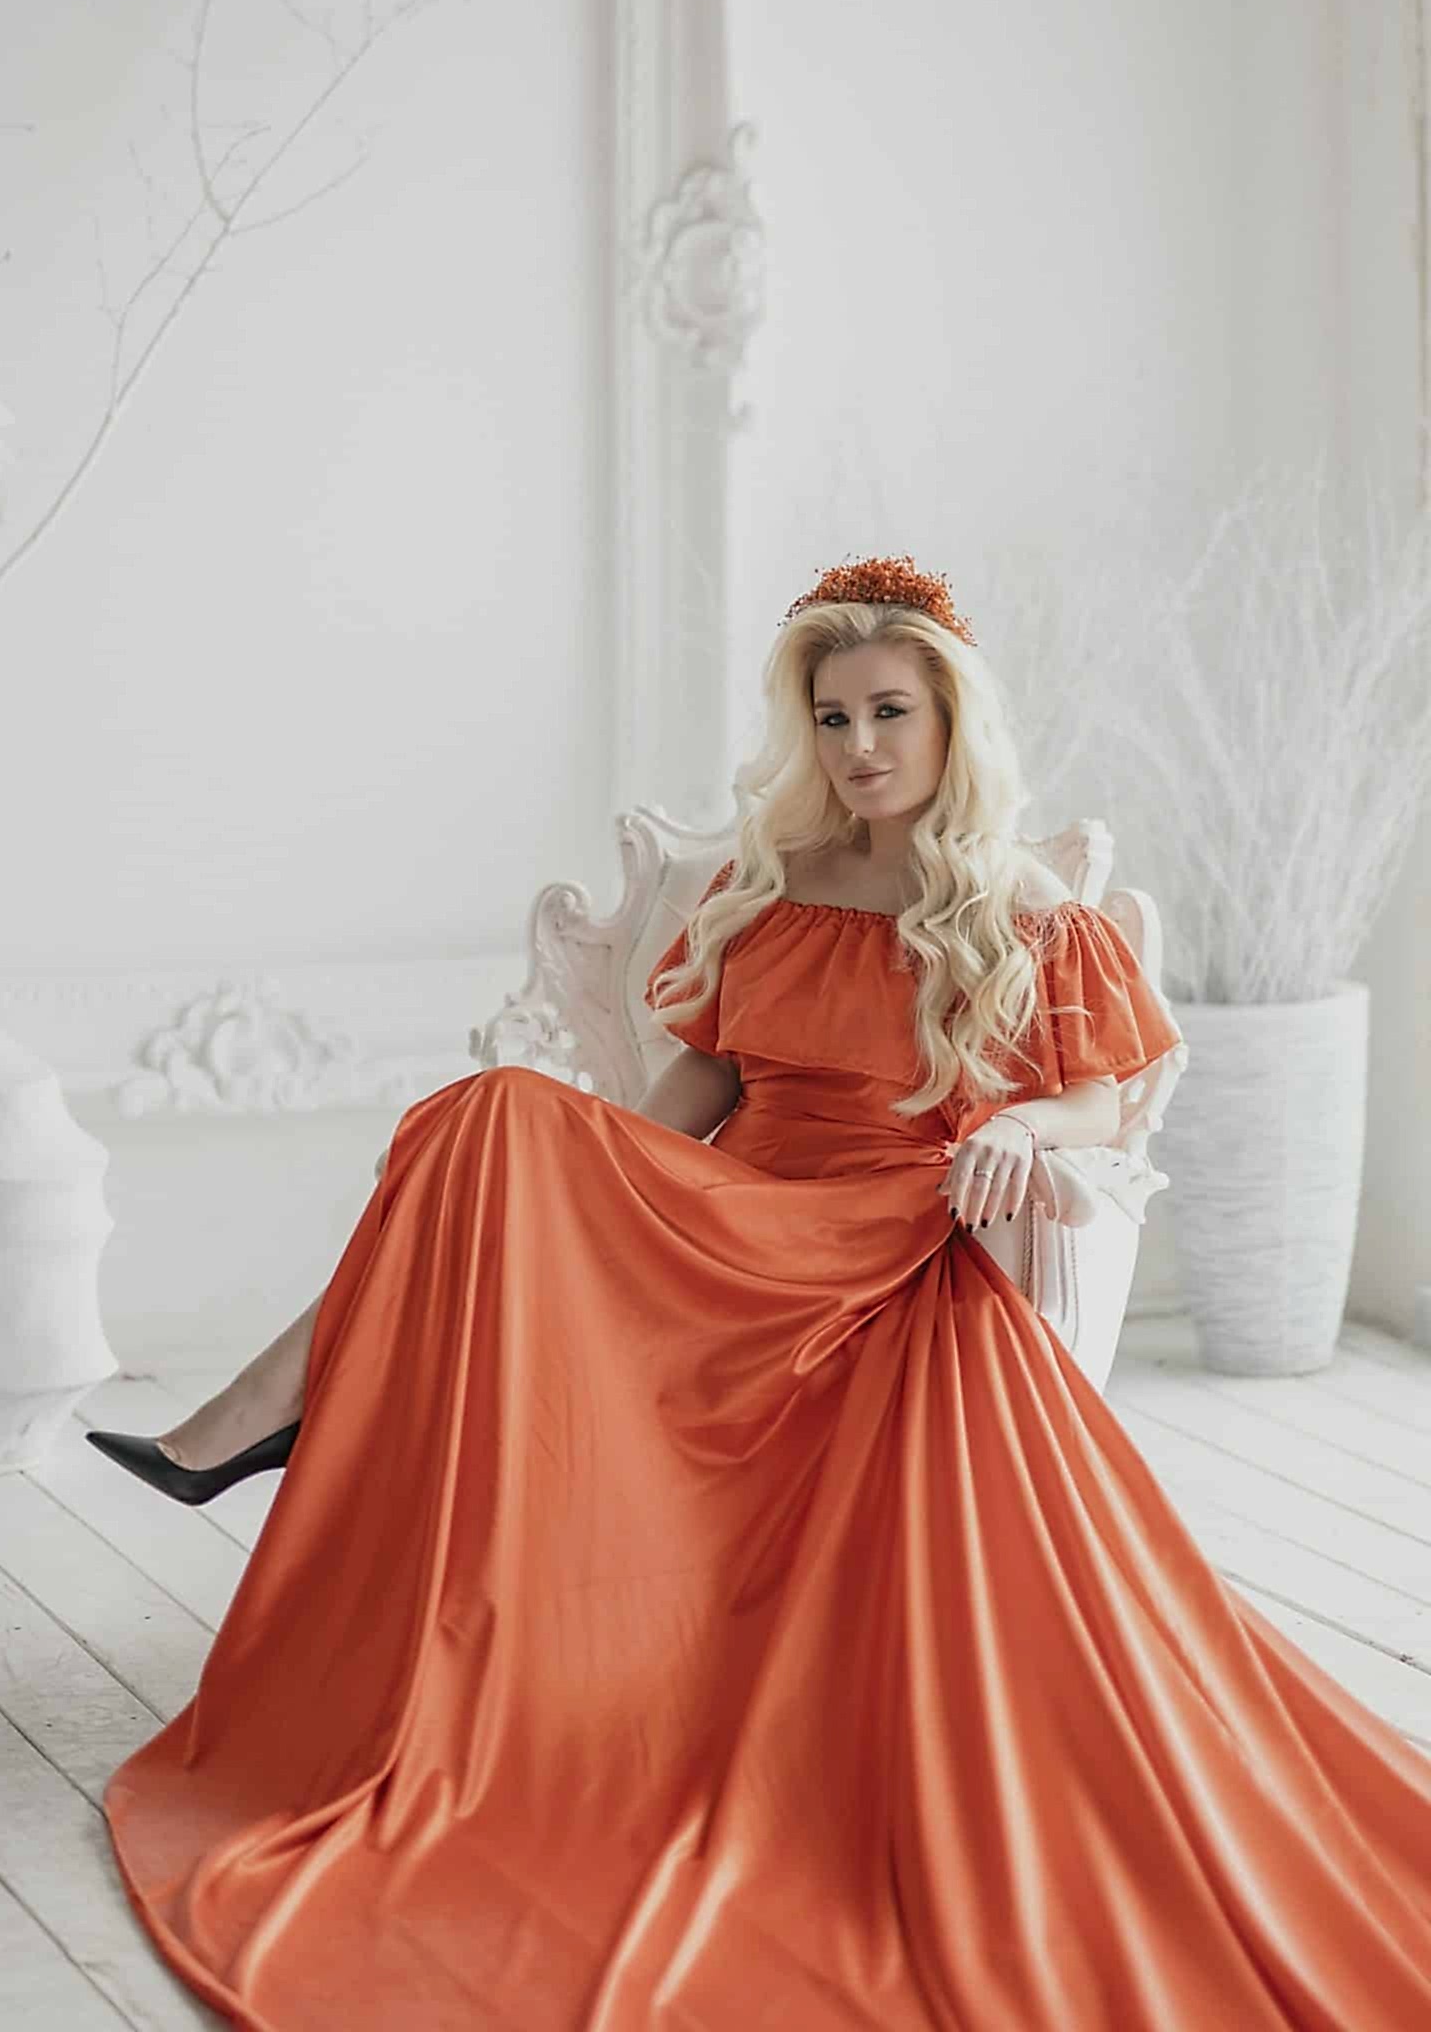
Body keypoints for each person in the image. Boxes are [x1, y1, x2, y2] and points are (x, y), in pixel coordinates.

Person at [91, 554, 1431, 2029]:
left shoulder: (1033, 914)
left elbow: (1106, 1099)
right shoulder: (773, 887)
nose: (860, 746)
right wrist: (589, 1202)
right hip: (733, 1220)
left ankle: (263, 1415)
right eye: (835, 717)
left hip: (877, 1246)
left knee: (496, 1124)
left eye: (890, 713)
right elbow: (692, 1101)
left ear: (951, 720)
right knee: (492, 1120)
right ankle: (266, 1405)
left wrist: (1022, 1126)